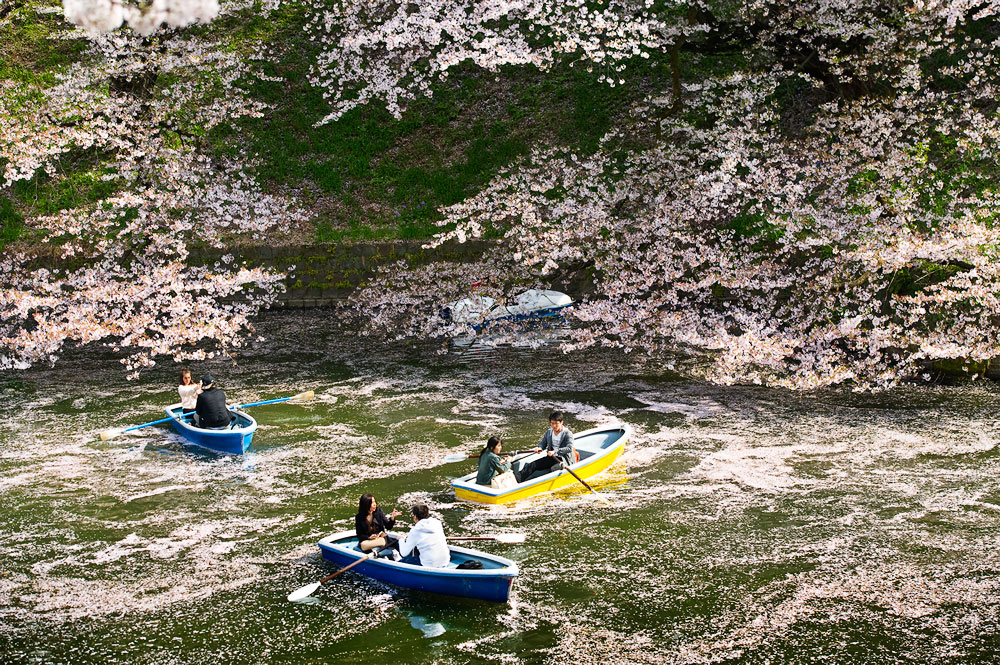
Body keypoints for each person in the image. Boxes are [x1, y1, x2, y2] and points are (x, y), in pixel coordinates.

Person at [515, 410, 575, 482]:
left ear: (562, 422)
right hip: (551, 457)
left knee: (554, 469)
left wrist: (555, 451)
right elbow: (543, 443)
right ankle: (516, 480)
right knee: (532, 465)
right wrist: (540, 447)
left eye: (556, 423)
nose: (554, 426)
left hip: (563, 459)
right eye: (552, 423)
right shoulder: (549, 432)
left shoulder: (567, 433)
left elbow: (569, 448)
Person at [398, 504, 449, 568]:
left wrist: (401, 539)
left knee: (401, 562)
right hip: (445, 561)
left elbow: (404, 553)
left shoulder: (415, 531)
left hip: (429, 564)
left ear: (415, 517)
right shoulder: (437, 523)